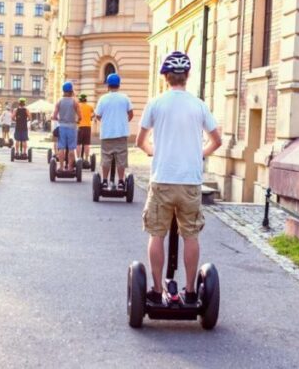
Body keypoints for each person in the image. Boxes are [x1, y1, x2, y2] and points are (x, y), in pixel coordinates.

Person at [135, 51, 222, 306]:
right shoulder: (199, 105)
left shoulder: (155, 104)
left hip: (163, 179)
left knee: (156, 234)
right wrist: (199, 154)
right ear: (187, 76)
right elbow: (217, 140)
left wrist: (155, 152)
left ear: (165, 77)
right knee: (191, 235)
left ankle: (156, 290)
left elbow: (140, 141)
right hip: (190, 182)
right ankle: (191, 291)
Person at [95, 73, 133, 189]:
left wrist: (107, 122)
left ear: (108, 85)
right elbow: (131, 114)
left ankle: (104, 181)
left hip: (107, 134)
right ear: (119, 85)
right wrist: (122, 122)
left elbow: (98, 115)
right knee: (121, 158)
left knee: (106, 157)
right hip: (121, 133)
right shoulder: (125, 98)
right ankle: (121, 181)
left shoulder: (103, 99)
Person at [52, 82, 82, 171]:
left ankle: (61, 167)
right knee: (71, 148)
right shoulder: (75, 102)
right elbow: (80, 116)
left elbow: (54, 116)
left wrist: (59, 119)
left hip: (62, 127)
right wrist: (77, 120)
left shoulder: (59, 101)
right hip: (72, 127)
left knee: (61, 147)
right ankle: (70, 167)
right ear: (71, 91)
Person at [77, 93, 94, 161]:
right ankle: (86, 159)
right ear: (86, 100)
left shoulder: (77, 106)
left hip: (79, 127)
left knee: (78, 144)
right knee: (86, 144)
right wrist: (90, 117)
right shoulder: (89, 107)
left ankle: (78, 159)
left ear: (80, 100)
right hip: (87, 127)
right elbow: (94, 114)